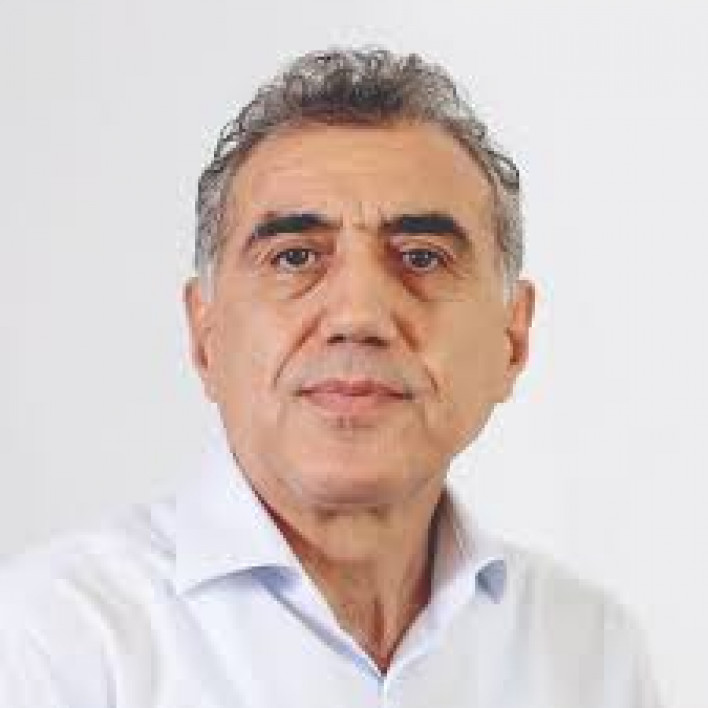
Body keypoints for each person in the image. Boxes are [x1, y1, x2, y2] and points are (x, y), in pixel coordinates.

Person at [0, 47, 661, 707]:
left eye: (422, 257)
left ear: (513, 338)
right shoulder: (50, 642)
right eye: (294, 257)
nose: (358, 315)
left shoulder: (591, 653)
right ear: (206, 336)